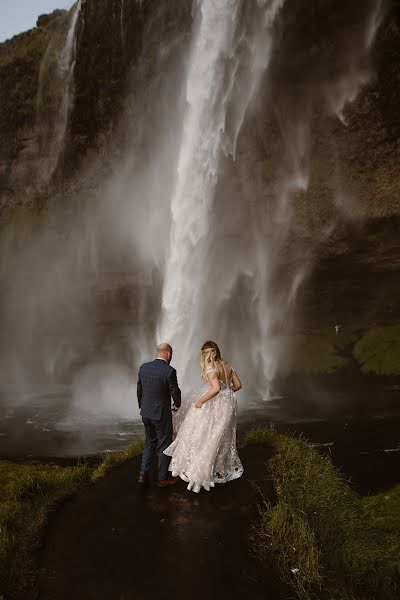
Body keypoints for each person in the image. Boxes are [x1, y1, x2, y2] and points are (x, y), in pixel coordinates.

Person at [163, 340, 244, 493]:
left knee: (207, 435)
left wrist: (200, 401)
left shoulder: (211, 367)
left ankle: (203, 471)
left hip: (217, 404)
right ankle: (218, 468)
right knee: (221, 436)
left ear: (205, 354)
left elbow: (215, 388)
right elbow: (238, 385)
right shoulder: (227, 365)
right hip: (229, 404)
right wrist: (228, 394)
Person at [137, 342, 182, 487]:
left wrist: (142, 407)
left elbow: (139, 390)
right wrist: (177, 404)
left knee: (149, 443)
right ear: (169, 354)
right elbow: (174, 392)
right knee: (163, 444)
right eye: (171, 355)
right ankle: (162, 478)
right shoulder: (169, 371)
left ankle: (142, 475)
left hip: (146, 412)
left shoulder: (144, 368)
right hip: (161, 414)